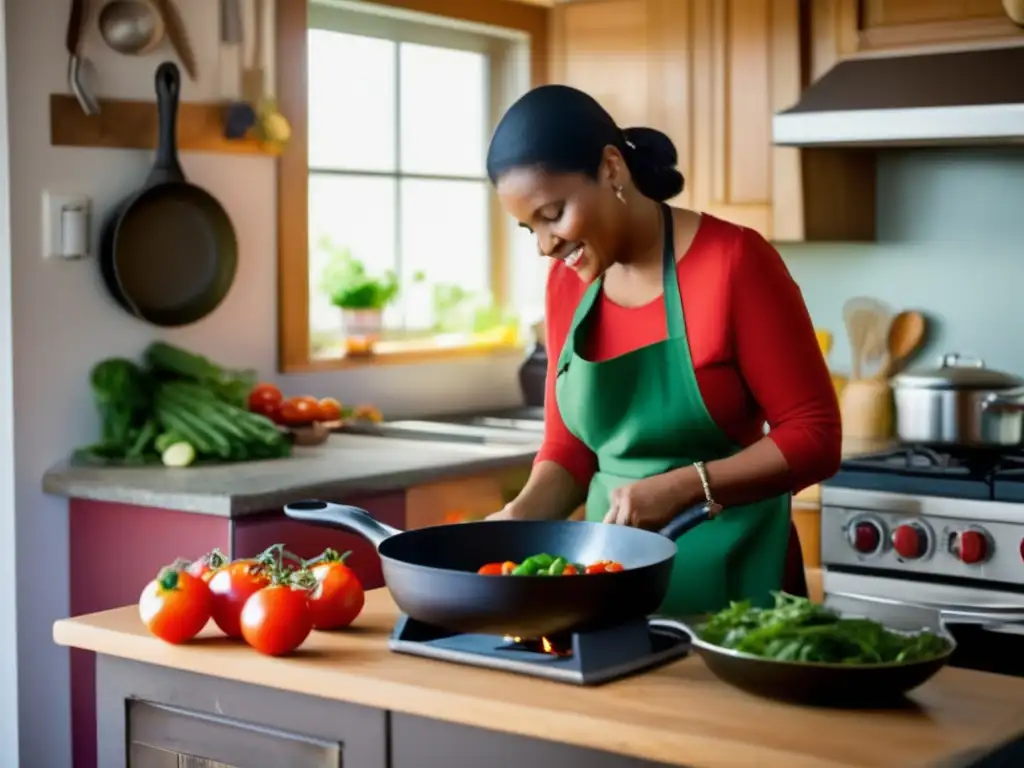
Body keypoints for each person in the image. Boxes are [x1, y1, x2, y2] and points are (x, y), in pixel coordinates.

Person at [484, 84, 841, 616]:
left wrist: (683, 487)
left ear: (610, 169)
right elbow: (571, 449)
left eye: (553, 214)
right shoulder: (568, 285)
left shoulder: (734, 263)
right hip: (613, 590)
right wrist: (518, 518)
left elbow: (816, 436)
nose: (545, 245)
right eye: (528, 228)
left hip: (741, 592)